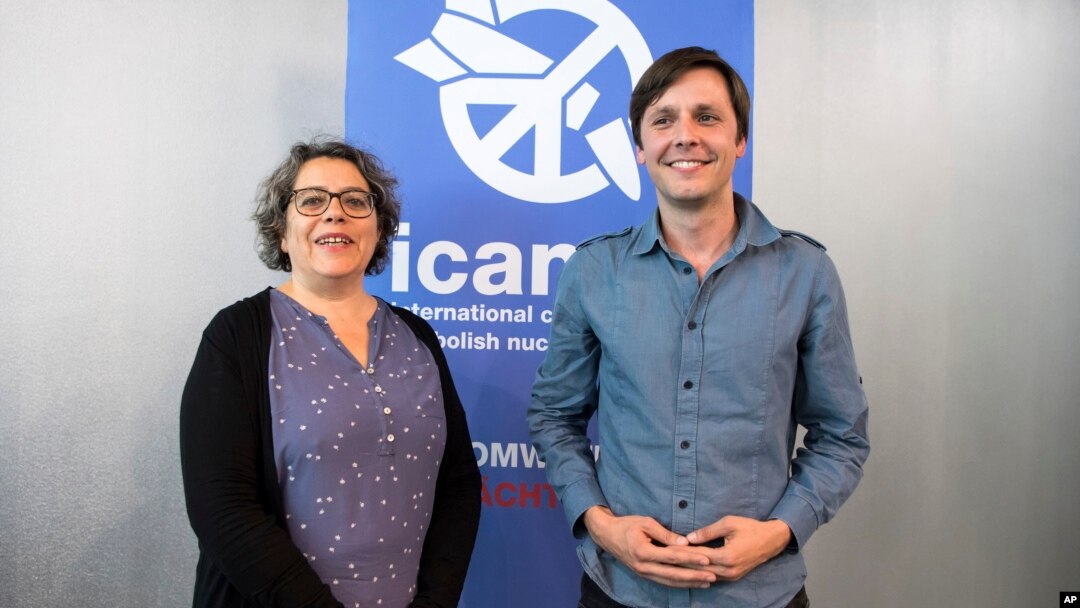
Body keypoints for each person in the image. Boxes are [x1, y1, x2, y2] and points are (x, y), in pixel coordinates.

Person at [527, 47, 870, 608]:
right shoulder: (592, 272)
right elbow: (554, 415)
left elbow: (842, 435)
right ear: (641, 148)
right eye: (663, 120)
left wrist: (781, 531)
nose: (685, 136)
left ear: (740, 141)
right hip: (620, 591)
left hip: (762, 595)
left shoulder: (805, 273)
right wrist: (599, 522)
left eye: (706, 117)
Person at [180, 139, 481, 608]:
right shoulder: (237, 336)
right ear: (282, 231)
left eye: (355, 201)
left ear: (378, 231)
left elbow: (458, 483)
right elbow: (222, 508)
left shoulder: (417, 335)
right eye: (312, 199)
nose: (334, 214)